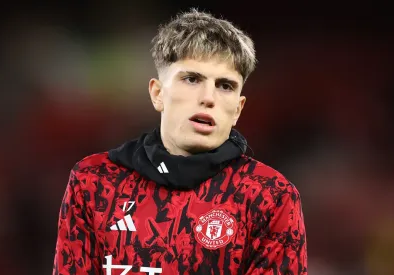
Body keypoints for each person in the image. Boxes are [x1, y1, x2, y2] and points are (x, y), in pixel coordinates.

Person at [53, 8, 307, 275]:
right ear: (157, 93)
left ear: (238, 109)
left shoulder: (270, 197)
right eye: (192, 79)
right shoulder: (94, 181)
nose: (208, 97)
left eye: (225, 86)